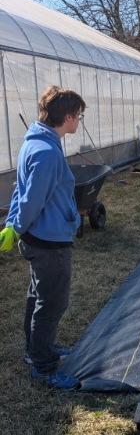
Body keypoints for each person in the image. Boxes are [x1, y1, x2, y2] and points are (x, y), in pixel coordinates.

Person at [0, 86, 86, 389]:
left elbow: (19, 190)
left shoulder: (37, 142)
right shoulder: (47, 152)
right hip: (49, 243)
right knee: (52, 303)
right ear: (67, 116)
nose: (80, 121)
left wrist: (14, 225)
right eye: (79, 115)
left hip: (39, 238)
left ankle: (36, 350)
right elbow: (31, 199)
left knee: (37, 296)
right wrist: (17, 225)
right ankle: (44, 367)